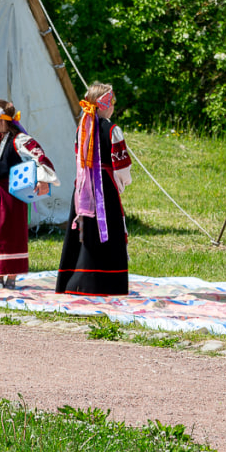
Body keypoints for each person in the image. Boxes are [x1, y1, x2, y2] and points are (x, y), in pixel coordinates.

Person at [0, 98, 57, 288]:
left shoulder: (20, 140)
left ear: (1, 122)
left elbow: (40, 157)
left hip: (12, 195)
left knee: (12, 232)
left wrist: (42, 179)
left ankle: (12, 277)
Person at [55, 83, 133, 296]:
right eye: (112, 102)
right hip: (103, 189)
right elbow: (122, 165)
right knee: (105, 234)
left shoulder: (81, 128)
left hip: (81, 189)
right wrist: (123, 183)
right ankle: (105, 282)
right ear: (105, 105)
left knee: (84, 233)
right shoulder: (112, 129)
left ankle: (75, 280)